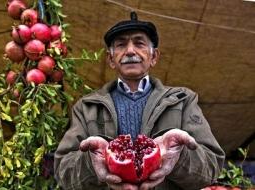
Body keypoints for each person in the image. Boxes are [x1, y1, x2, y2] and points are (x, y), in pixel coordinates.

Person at [54, 12, 225, 190]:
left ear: (154, 57)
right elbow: (63, 172)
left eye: (139, 43)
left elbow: (212, 167)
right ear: (111, 59)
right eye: (121, 44)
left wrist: (179, 157)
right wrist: (91, 163)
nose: (129, 51)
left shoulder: (183, 101)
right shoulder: (86, 107)